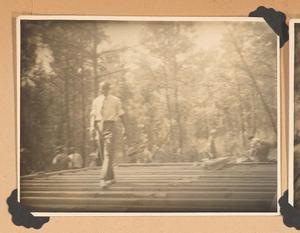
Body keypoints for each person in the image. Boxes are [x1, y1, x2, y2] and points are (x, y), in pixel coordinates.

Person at [89, 81, 128, 189]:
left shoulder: (115, 100)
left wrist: (125, 128)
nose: (103, 90)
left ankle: (103, 179)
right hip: (99, 127)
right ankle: (111, 177)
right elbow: (93, 115)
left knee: (108, 153)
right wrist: (92, 127)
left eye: (105, 88)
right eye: (101, 88)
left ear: (108, 89)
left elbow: (121, 114)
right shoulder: (96, 101)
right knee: (102, 154)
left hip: (110, 126)